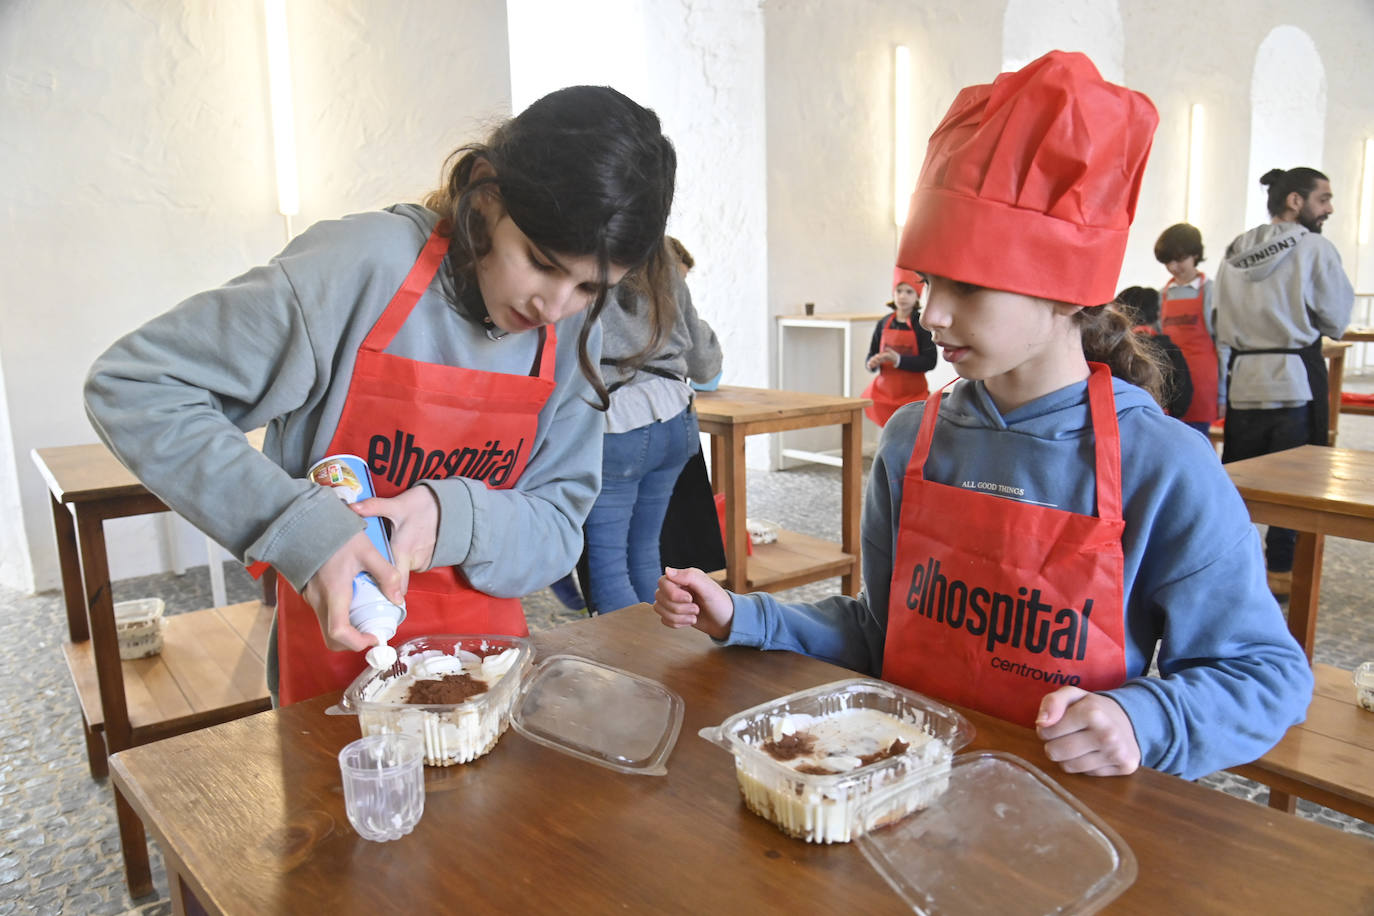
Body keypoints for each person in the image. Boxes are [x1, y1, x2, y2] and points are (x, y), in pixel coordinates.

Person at [653, 51, 1312, 781]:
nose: (932, 312)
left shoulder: (1163, 464)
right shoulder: (913, 438)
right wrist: (746, 617)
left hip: (1064, 818)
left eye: (967, 286)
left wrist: (1143, 717)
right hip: (902, 794)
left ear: (1066, 290)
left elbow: (1265, 675)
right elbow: (881, 634)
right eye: (928, 280)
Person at [84, 85, 678, 705]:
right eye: (540, 261)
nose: (553, 306)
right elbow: (136, 386)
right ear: (485, 192)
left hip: (486, 673)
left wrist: (451, 516)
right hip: (331, 664)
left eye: (589, 287)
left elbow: (559, 526)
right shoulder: (362, 267)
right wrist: (303, 529)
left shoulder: (574, 332)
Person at [1215, 167, 1355, 598]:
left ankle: (1232, 568)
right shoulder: (1314, 248)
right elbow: (1337, 319)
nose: (1329, 208)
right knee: (1296, 487)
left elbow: (1218, 318)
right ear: (1295, 200)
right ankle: (1280, 571)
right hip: (1294, 379)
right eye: (1323, 199)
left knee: (1241, 484)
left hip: (1244, 380)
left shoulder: (1236, 248)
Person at [580, 236, 722, 614]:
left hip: (618, 420)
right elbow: (706, 366)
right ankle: (657, 658)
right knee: (645, 554)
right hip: (677, 417)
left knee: (608, 570)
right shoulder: (660, 251)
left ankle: (630, 666)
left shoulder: (580, 246)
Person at [1153, 223, 1219, 434]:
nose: (1173, 267)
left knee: (1199, 439)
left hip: (1203, 382)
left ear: (1195, 255)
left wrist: (1224, 395)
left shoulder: (1212, 292)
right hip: (1173, 380)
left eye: (1180, 259)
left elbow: (1223, 344)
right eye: (1167, 262)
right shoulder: (1161, 295)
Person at [862, 268, 938, 426]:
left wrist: (898, 360)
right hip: (883, 395)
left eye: (909, 291)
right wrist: (872, 363)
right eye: (899, 291)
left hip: (913, 396)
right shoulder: (883, 323)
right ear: (893, 293)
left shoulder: (921, 324)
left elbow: (930, 361)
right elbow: (871, 355)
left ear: (917, 296)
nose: (902, 296)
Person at [1116, 285, 1193, 420]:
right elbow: (1184, 396)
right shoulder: (1170, 350)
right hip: (1164, 422)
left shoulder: (1114, 350)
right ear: (1157, 314)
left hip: (1121, 424)